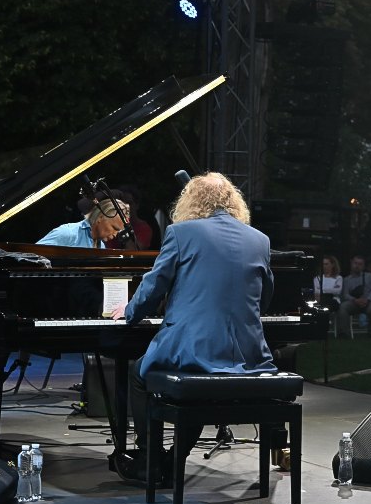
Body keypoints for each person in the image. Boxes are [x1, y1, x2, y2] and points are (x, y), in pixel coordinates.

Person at [115, 172, 275, 484]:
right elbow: (264, 299)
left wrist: (130, 312)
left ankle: (149, 459)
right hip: (247, 353)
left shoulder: (181, 233)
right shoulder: (260, 240)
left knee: (138, 374)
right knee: (199, 392)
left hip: (193, 349)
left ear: (192, 200)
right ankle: (174, 459)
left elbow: (154, 285)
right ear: (233, 201)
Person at [37, 192, 133, 248]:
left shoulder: (101, 247)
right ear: (100, 217)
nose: (115, 234)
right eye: (114, 228)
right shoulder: (68, 233)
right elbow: (32, 257)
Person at [336, 255, 371, 338]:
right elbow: (345, 294)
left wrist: (367, 299)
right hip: (354, 303)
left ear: (363, 266)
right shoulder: (347, 279)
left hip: (368, 302)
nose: (357, 266)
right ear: (351, 264)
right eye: (355, 263)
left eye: (360, 264)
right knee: (342, 307)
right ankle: (344, 333)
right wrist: (355, 300)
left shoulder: (369, 276)